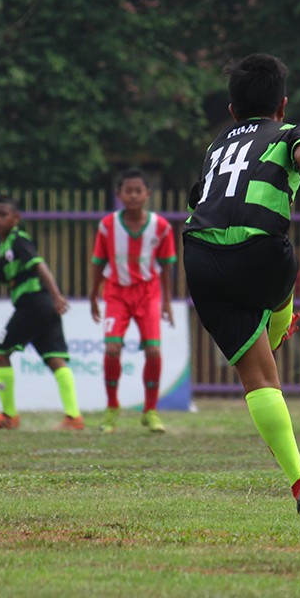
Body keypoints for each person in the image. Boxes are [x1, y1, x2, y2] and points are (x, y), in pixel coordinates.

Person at [183, 53, 300, 514]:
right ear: (283, 104)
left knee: (257, 378)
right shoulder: (290, 132)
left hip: (199, 254)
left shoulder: (217, 145)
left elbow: (201, 197)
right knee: (279, 275)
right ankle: (280, 316)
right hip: (261, 254)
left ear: (233, 111)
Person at [0, 196, 84, 430]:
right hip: (44, 307)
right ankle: (74, 417)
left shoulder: (18, 240)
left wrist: (56, 295)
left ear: (16, 218)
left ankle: (9, 416)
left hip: (33, 304)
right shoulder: (5, 248)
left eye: (3, 214)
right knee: (54, 359)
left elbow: (40, 265)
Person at [89, 168, 177, 433]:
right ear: (119, 195)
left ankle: (150, 411)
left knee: (153, 351)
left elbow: (166, 265)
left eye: (138, 191)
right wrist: (94, 296)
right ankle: (112, 407)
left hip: (148, 294)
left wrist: (167, 302)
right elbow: (98, 262)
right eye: (128, 191)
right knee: (112, 349)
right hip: (116, 293)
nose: (133, 196)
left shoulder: (161, 227)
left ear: (147, 194)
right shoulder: (107, 225)